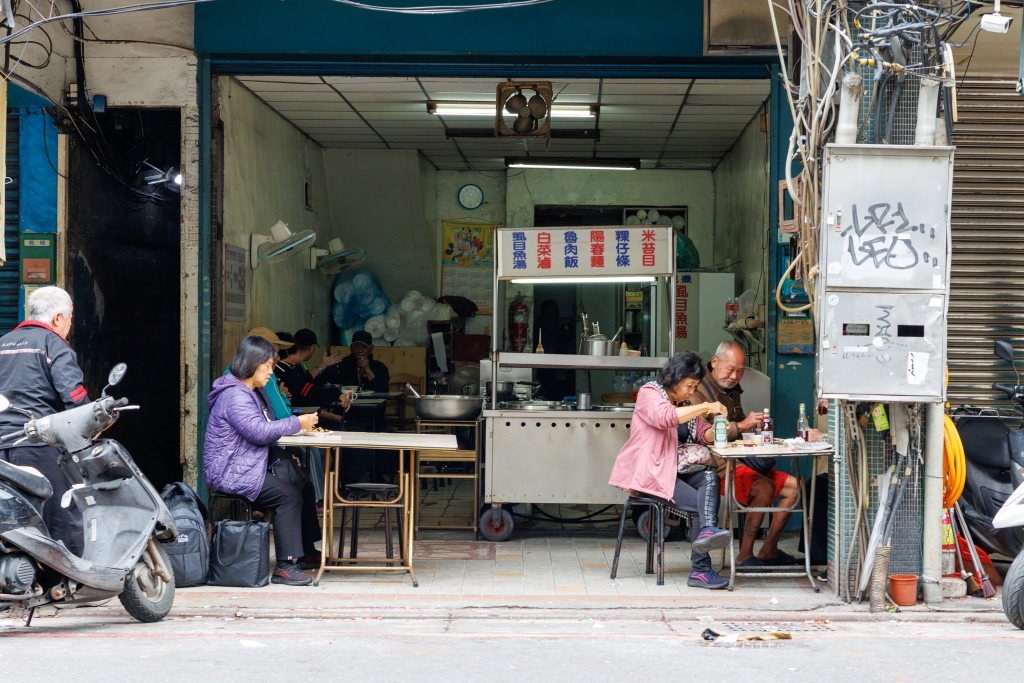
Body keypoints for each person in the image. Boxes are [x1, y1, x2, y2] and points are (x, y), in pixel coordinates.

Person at [204, 335, 322, 586]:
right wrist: (297, 423)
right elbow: (258, 431)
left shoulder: (252, 392)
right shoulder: (235, 396)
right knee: (288, 496)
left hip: (249, 463)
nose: (271, 372)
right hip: (231, 470)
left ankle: (306, 552)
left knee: (304, 485)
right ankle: (285, 566)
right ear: (252, 363)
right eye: (268, 365)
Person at [608, 351, 733, 589]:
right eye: (689, 385)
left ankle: (708, 531)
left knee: (709, 478)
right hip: (651, 474)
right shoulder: (650, 393)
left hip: (675, 472)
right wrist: (706, 406)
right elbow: (666, 418)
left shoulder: (685, 405)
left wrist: (718, 427)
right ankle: (701, 569)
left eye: (695, 387)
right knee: (701, 505)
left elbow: (701, 434)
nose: (691, 392)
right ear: (675, 378)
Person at [692, 341, 801, 567]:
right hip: (715, 465)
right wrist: (742, 425)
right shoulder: (698, 391)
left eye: (740, 371)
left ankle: (769, 550)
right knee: (764, 487)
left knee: (795, 488)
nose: (734, 376)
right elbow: (704, 435)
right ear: (715, 362)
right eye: (730, 369)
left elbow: (738, 427)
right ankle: (744, 555)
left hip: (739, 460)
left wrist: (756, 429)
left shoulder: (731, 389)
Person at [0, 286, 88, 556]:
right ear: (58, 317)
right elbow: (74, 398)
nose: (70, 324)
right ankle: (66, 577)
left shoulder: (3, 343)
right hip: (37, 446)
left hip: (2, 448)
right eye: (70, 317)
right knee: (63, 516)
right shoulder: (54, 345)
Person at [224, 327, 294, 420]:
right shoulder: (266, 374)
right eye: (275, 353)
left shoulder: (229, 370)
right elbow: (284, 415)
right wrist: (283, 396)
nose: (278, 358)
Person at [322, 330, 390, 393]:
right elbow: (326, 385)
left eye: (364, 347)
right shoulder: (341, 365)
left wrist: (368, 370)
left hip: (373, 402)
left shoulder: (379, 367)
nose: (360, 350)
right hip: (347, 401)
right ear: (351, 348)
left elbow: (384, 391)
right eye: (356, 346)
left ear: (371, 348)